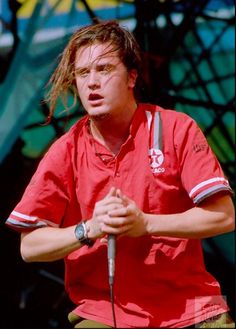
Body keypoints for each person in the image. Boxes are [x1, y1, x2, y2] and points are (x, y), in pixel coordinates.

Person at [6, 20, 235, 328]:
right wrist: (89, 228)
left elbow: (224, 216)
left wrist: (145, 223)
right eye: (83, 73)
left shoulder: (177, 128)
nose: (92, 83)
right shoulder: (65, 150)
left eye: (104, 69)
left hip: (193, 306)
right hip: (104, 312)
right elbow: (29, 246)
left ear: (132, 77)